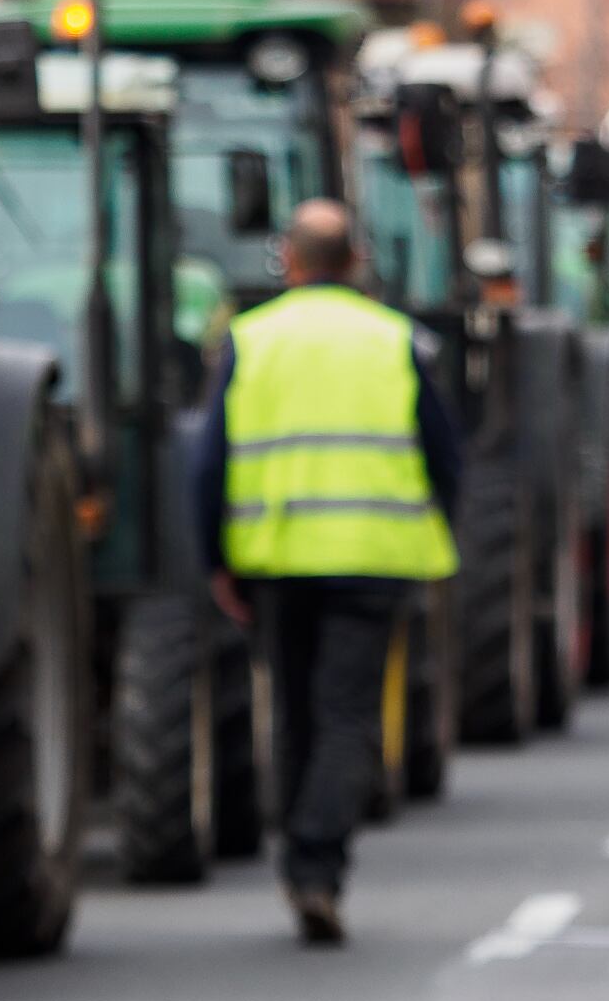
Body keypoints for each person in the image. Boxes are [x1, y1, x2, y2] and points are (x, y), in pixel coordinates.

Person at [192, 201, 459, 945]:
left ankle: (299, 862)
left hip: (276, 558)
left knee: (298, 713)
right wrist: (440, 527)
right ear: (356, 263)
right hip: (373, 557)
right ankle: (317, 864)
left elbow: (210, 462)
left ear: (290, 259)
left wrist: (216, 559)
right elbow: (446, 453)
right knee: (347, 716)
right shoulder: (395, 340)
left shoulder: (250, 340)